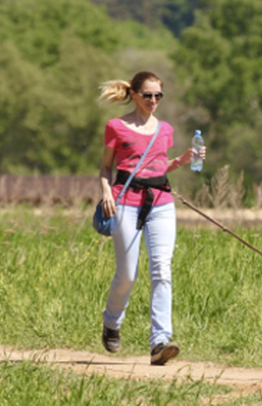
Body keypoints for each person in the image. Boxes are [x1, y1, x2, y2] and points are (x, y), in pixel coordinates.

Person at [97, 71, 205, 365]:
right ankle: (111, 322)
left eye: (158, 95)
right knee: (128, 274)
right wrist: (106, 191)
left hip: (161, 203)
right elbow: (106, 168)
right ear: (134, 94)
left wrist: (182, 160)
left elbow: (157, 168)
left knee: (161, 270)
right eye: (148, 95)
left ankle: (159, 341)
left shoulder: (165, 129)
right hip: (125, 202)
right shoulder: (116, 127)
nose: (153, 101)